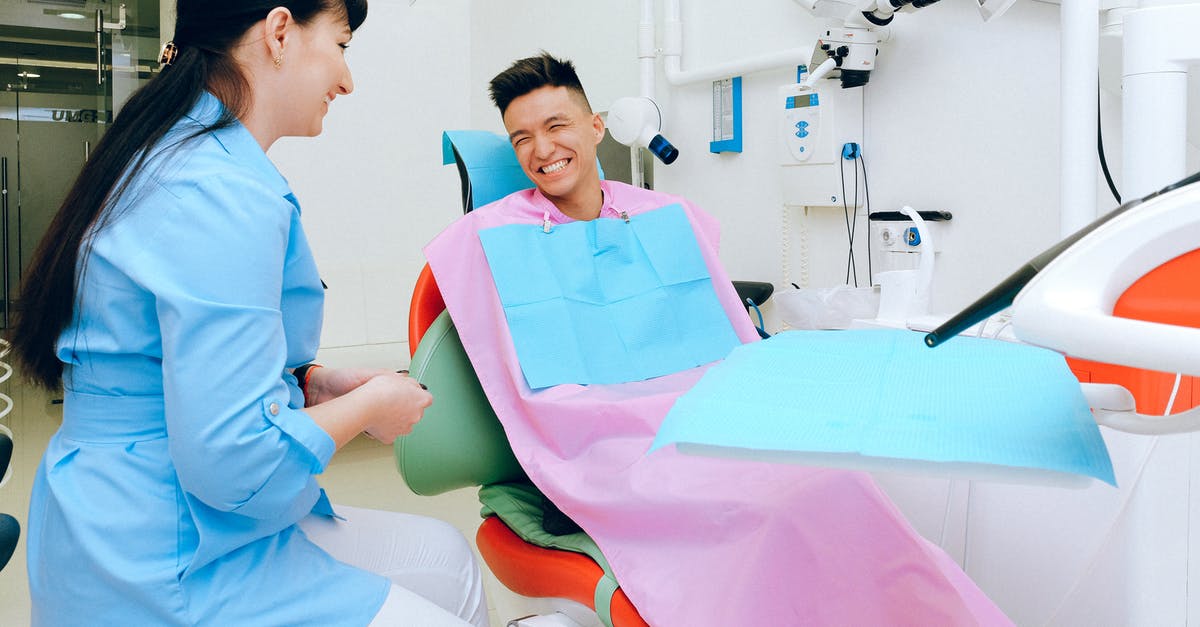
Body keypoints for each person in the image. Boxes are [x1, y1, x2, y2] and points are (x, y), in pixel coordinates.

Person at [421, 53, 1013, 626]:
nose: (542, 150)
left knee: (836, 481)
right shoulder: (490, 239)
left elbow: (730, 337)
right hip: (604, 449)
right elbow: (457, 321)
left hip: (710, 417)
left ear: (596, 127)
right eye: (521, 138)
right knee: (761, 512)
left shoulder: (664, 218)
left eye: (556, 126)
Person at [10, 2, 487, 625]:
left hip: (113, 513)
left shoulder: (179, 153)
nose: (347, 80)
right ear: (280, 32)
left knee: (446, 556)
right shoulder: (217, 190)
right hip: (168, 556)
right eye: (341, 46)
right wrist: (373, 406)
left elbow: (169, 362)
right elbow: (237, 463)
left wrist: (312, 383)